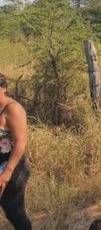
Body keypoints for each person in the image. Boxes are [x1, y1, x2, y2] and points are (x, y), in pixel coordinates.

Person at [0, 72, 31, 230]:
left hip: (11, 169)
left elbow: (20, 142)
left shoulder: (12, 109)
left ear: (3, 88)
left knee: (14, 213)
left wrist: (7, 172)